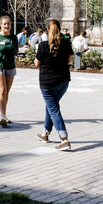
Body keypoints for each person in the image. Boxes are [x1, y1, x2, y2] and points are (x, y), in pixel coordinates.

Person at [35, 19, 74, 151]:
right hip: (63, 81)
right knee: (51, 106)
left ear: (47, 30)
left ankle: (64, 139)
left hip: (47, 83)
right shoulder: (66, 43)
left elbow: (36, 63)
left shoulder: (43, 45)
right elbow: (70, 59)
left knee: (53, 109)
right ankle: (45, 134)